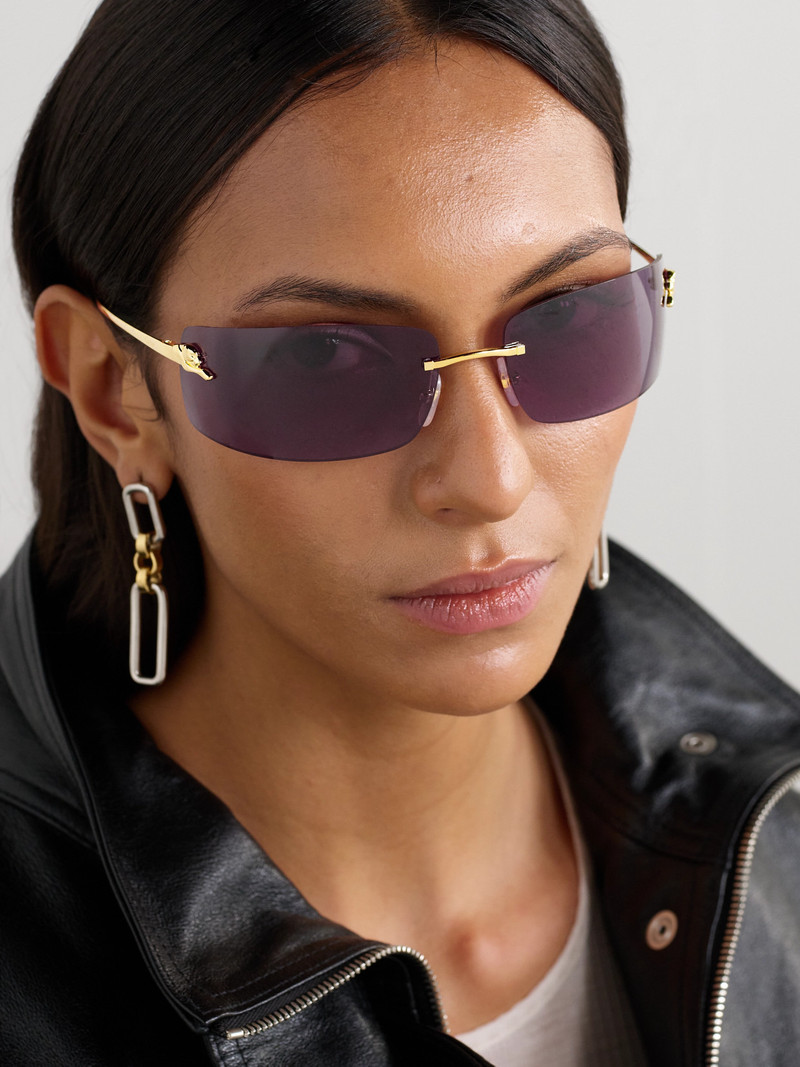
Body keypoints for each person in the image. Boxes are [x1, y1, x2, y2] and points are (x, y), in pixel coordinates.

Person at [3, 1, 800, 1064]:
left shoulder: (782, 820)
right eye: (323, 359)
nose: (488, 477)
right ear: (115, 390)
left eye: (566, 317)